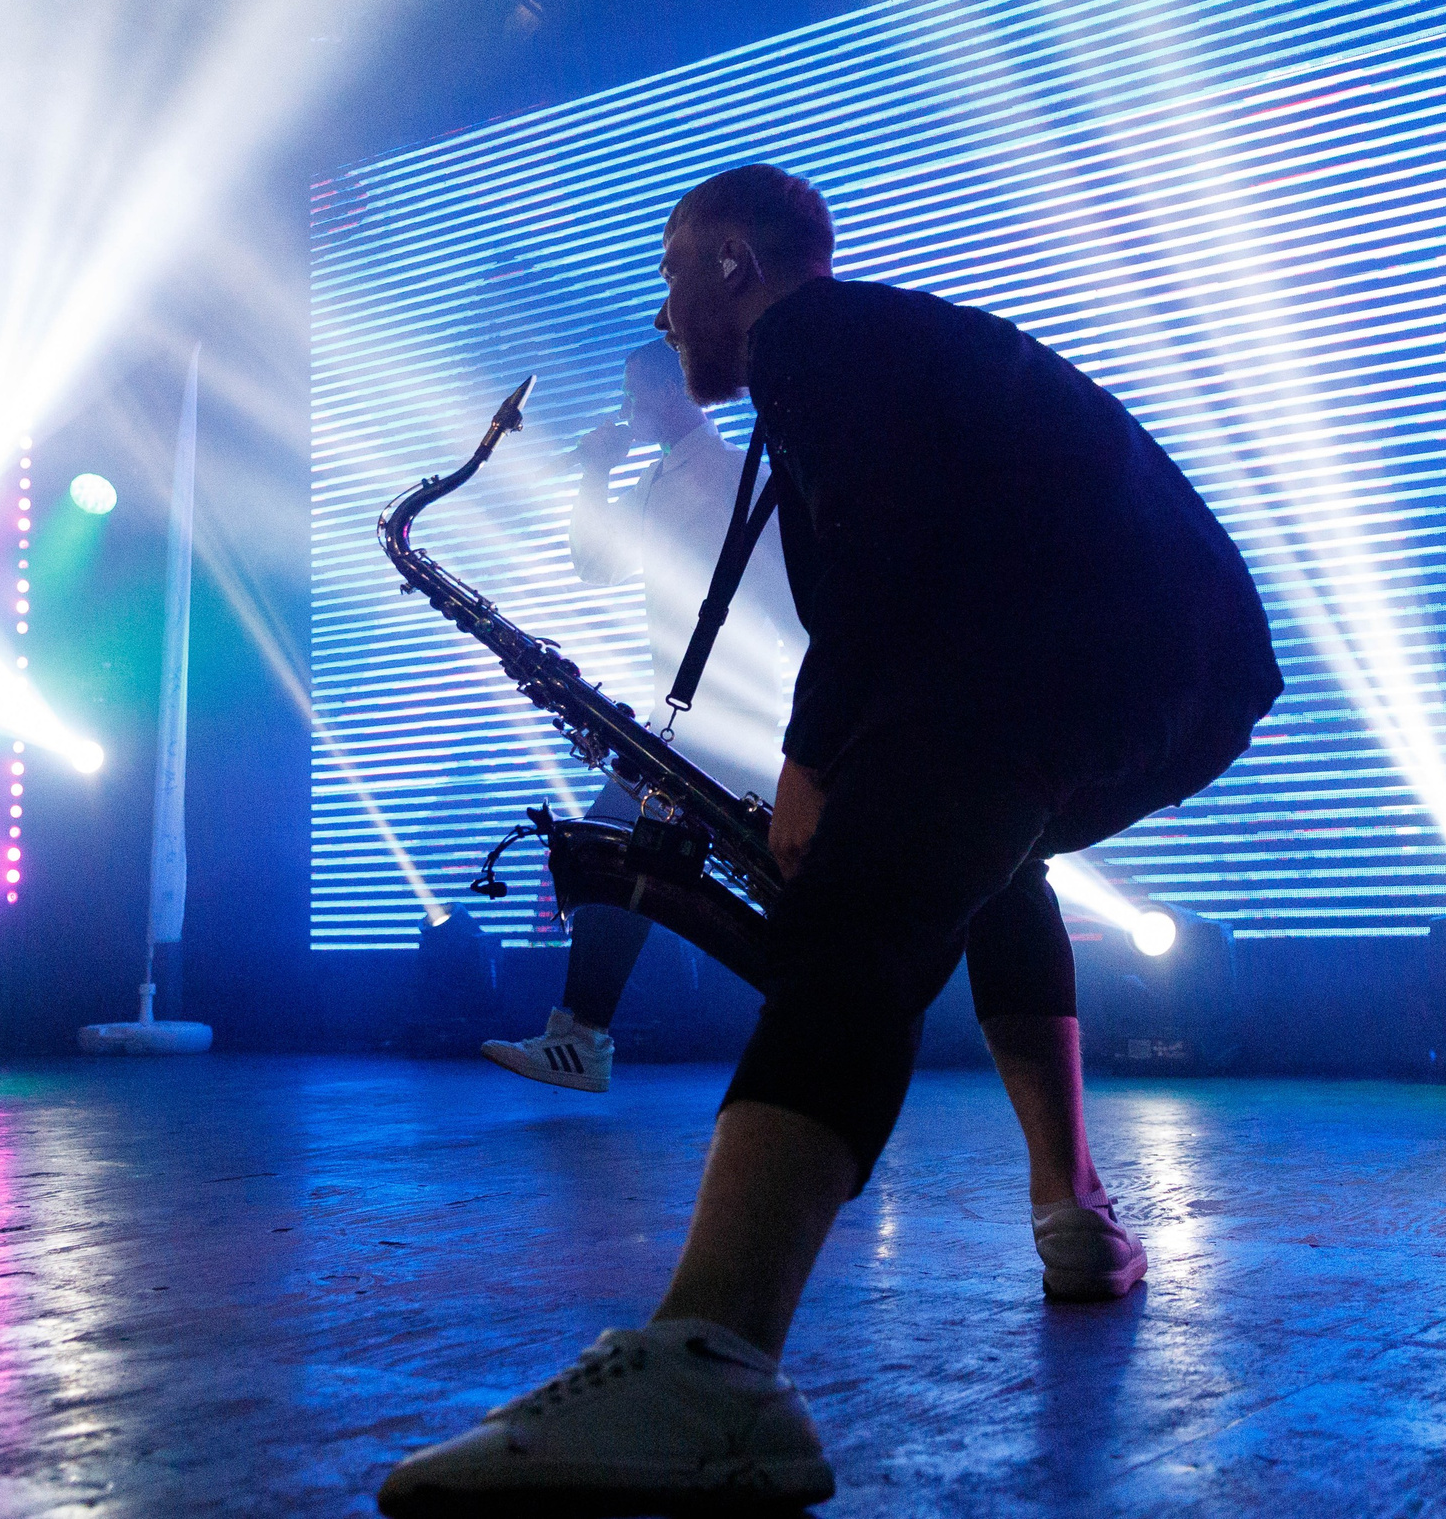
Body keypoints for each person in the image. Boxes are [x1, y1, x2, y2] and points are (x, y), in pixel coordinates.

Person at [379, 165, 1282, 1515]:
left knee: (863, 905)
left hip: (1072, 649)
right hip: (1154, 660)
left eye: (673, 274)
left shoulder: (813, 336)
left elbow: (882, 560)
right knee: (984, 873)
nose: (665, 313)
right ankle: (1075, 1214)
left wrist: (812, 763)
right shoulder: (858, 358)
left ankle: (710, 1359)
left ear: (734, 265)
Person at [481, 339, 801, 1092]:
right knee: (627, 856)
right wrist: (595, 472)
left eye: (634, 394)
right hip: (690, 718)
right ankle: (582, 1037)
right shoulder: (661, 479)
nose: (625, 410)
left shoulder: (731, 473)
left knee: (643, 855)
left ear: (671, 390)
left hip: (731, 718)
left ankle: (585, 1037)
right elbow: (594, 564)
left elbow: (783, 603)